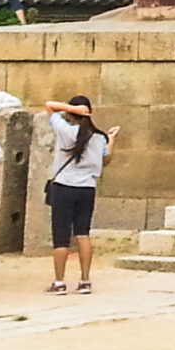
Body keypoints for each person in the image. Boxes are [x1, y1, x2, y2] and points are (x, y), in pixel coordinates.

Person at [43, 96, 117, 294]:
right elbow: (106, 160)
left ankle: (59, 282)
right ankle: (85, 280)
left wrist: (71, 108)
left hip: (64, 187)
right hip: (87, 188)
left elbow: (49, 105)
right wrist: (111, 140)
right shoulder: (99, 137)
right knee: (83, 233)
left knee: (61, 236)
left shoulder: (66, 130)